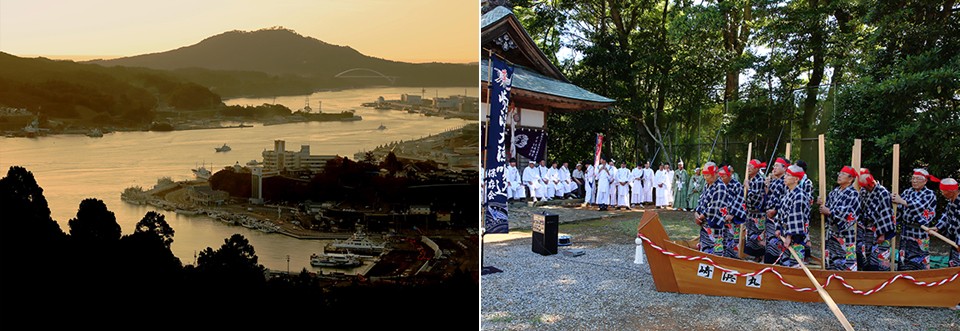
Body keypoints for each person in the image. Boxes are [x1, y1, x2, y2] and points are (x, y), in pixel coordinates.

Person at [891, 168, 939, 270]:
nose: (914, 181)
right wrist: (894, 201)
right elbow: (899, 208)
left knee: (920, 257)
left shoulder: (929, 194)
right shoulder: (908, 191)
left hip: (920, 230)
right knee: (904, 257)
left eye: (917, 179)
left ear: (925, 181)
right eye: (913, 178)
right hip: (906, 230)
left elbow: (919, 206)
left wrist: (902, 201)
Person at [767, 164, 811, 267]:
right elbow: (781, 213)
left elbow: (796, 217)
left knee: (794, 264)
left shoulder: (800, 195)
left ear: (796, 179)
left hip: (796, 236)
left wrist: (789, 236)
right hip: (785, 233)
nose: (785, 177)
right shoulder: (788, 193)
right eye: (785, 175)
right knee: (784, 262)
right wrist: (778, 228)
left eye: (788, 175)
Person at [819, 166, 861, 271]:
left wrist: (829, 211)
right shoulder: (833, 192)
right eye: (839, 173)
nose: (839, 176)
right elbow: (825, 207)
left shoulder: (853, 194)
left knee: (845, 264)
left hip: (844, 234)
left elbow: (848, 215)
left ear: (850, 179)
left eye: (843, 174)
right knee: (830, 263)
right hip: (831, 234)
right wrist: (821, 204)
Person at [857, 169, 896, 271]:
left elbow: (886, 213)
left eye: (866, 186)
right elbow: (860, 208)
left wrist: (882, 233)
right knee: (866, 254)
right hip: (866, 227)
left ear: (871, 184)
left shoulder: (883, 193)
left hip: (880, 228)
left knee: (880, 256)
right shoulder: (863, 191)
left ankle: (881, 276)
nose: (865, 188)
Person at [694, 162, 730, 256]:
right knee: (705, 251)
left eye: (707, 175)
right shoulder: (707, 185)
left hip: (715, 224)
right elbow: (701, 201)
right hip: (705, 225)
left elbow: (715, 207)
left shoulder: (720, 186)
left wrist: (701, 216)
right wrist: (697, 213)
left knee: (715, 253)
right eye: (704, 175)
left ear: (714, 174)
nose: (705, 177)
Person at [763, 157, 791, 264]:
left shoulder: (785, 181)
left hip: (778, 217)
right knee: (769, 242)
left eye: (777, 166)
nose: (774, 168)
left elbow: (785, 199)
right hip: (770, 216)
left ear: (784, 168)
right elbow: (768, 195)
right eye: (773, 166)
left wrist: (775, 210)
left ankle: (775, 264)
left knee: (776, 243)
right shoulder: (775, 180)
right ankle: (769, 264)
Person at [930, 178, 960, 268]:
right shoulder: (951, 202)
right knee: (953, 266)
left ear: (951, 191)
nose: (942, 194)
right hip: (954, 241)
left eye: (943, 191)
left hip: (958, 241)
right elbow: (946, 215)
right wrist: (937, 227)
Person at [719, 165, 747, 259]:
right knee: (720, 239)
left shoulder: (736, 185)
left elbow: (739, 200)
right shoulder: (719, 185)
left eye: (723, 176)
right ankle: (720, 256)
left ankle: (732, 258)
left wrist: (732, 214)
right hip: (721, 217)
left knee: (732, 241)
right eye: (720, 176)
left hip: (732, 218)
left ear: (729, 175)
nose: (721, 178)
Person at [743, 159, 768, 262]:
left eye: (751, 167)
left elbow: (756, 198)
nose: (748, 169)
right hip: (750, 213)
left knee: (757, 236)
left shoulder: (759, 180)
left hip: (758, 214)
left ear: (757, 169)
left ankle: (759, 256)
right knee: (750, 235)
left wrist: (747, 187)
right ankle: (754, 255)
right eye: (748, 166)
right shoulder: (751, 179)